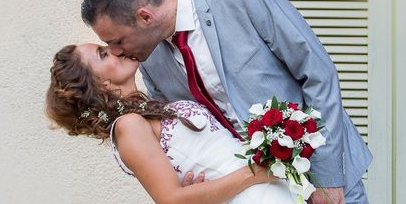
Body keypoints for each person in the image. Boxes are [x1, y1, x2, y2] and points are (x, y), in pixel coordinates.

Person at [81, 0, 372, 204]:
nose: (117, 52)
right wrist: (195, 184)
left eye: (116, 41)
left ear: (145, 17)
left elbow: (319, 74)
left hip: (324, 177)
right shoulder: (149, 59)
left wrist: (329, 178)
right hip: (255, 193)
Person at [46, 43, 298, 204]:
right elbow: (171, 200)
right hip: (253, 192)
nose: (114, 49)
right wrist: (254, 173)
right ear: (101, 84)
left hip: (267, 189)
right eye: (102, 54)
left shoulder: (150, 110)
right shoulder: (128, 126)